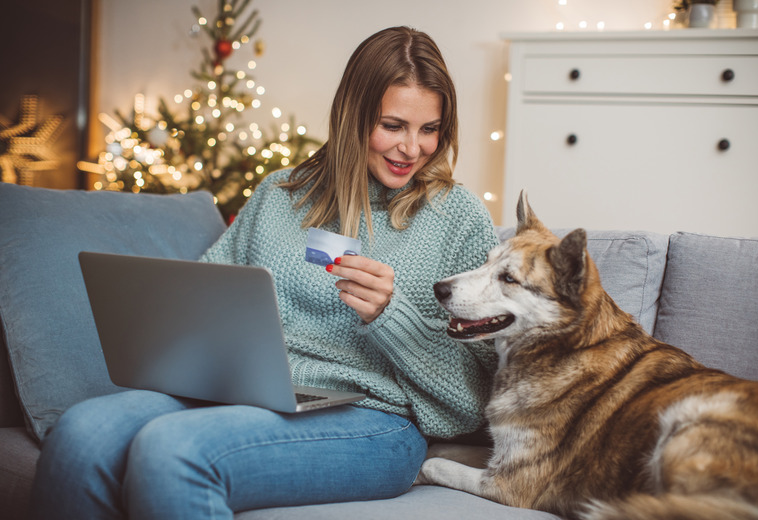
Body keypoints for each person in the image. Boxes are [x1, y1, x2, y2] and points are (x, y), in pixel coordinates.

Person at [30, 26, 499, 519]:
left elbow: (473, 403)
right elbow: (206, 296)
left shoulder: (458, 219)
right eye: (393, 125)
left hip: (375, 421)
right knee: (81, 434)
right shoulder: (281, 194)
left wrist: (392, 315)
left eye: (430, 129)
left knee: (175, 448)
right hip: (253, 397)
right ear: (352, 116)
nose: (412, 148)